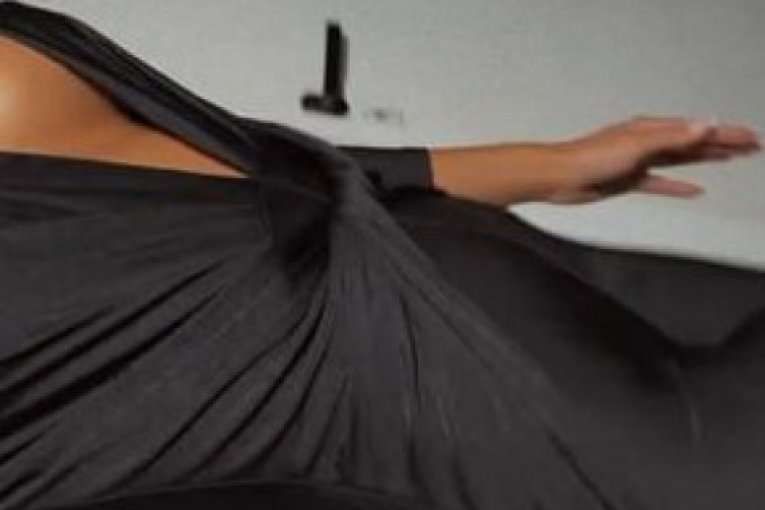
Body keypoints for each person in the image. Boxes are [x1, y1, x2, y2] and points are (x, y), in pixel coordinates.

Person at [1, 2, 764, 510]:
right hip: (466, 285)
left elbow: (259, 185)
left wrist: (550, 165)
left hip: (457, 385)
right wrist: (544, 166)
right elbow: (258, 194)